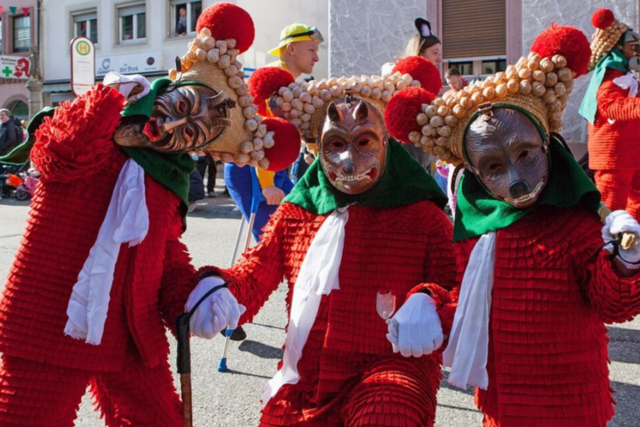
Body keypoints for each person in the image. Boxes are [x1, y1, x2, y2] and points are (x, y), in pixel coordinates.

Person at [0, 4, 300, 426]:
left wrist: (192, 297)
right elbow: (59, 155)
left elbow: (161, 255)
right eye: (182, 104)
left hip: (129, 334)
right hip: (50, 323)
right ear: (166, 90)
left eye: (194, 130)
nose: (178, 124)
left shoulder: (169, 179)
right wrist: (111, 100)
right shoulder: (97, 133)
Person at [391, 23, 640, 427]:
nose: (516, 178)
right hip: (504, 405)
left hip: (573, 406)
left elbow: (612, 304)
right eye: (493, 166)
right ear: (473, 173)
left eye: (525, 153)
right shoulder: (481, 232)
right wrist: (427, 303)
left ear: (546, 145)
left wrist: (624, 262)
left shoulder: (575, 224)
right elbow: (467, 302)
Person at [199, 64, 457, 425]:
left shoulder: (423, 218)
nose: (349, 160)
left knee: (387, 415)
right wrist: (220, 290)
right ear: (318, 150)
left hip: (390, 367)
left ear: (386, 144)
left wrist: (431, 300)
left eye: (363, 142)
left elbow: (460, 286)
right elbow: (256, 269)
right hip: (306, 374)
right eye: (336, 144)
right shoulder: (298, 213)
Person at [225, 23, 323, 241]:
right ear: (291, 49)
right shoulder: (272, 79)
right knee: (275, 243)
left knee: (306, 224)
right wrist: (267, 186)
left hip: (274, 169)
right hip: (254, 169)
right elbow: (262, 134)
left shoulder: (288, 81)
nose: (316, 58)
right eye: (312, 50)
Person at [579, 8, 640, 220]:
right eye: (632, 43)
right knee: (613, 211)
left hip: (633, 154)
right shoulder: (608, 77)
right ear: (619, 47)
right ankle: (609, 251)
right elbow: (611, 106)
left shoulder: (629, 77)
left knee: (636, 208)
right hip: (614, 158)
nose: (637, 47)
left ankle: (633, 246)